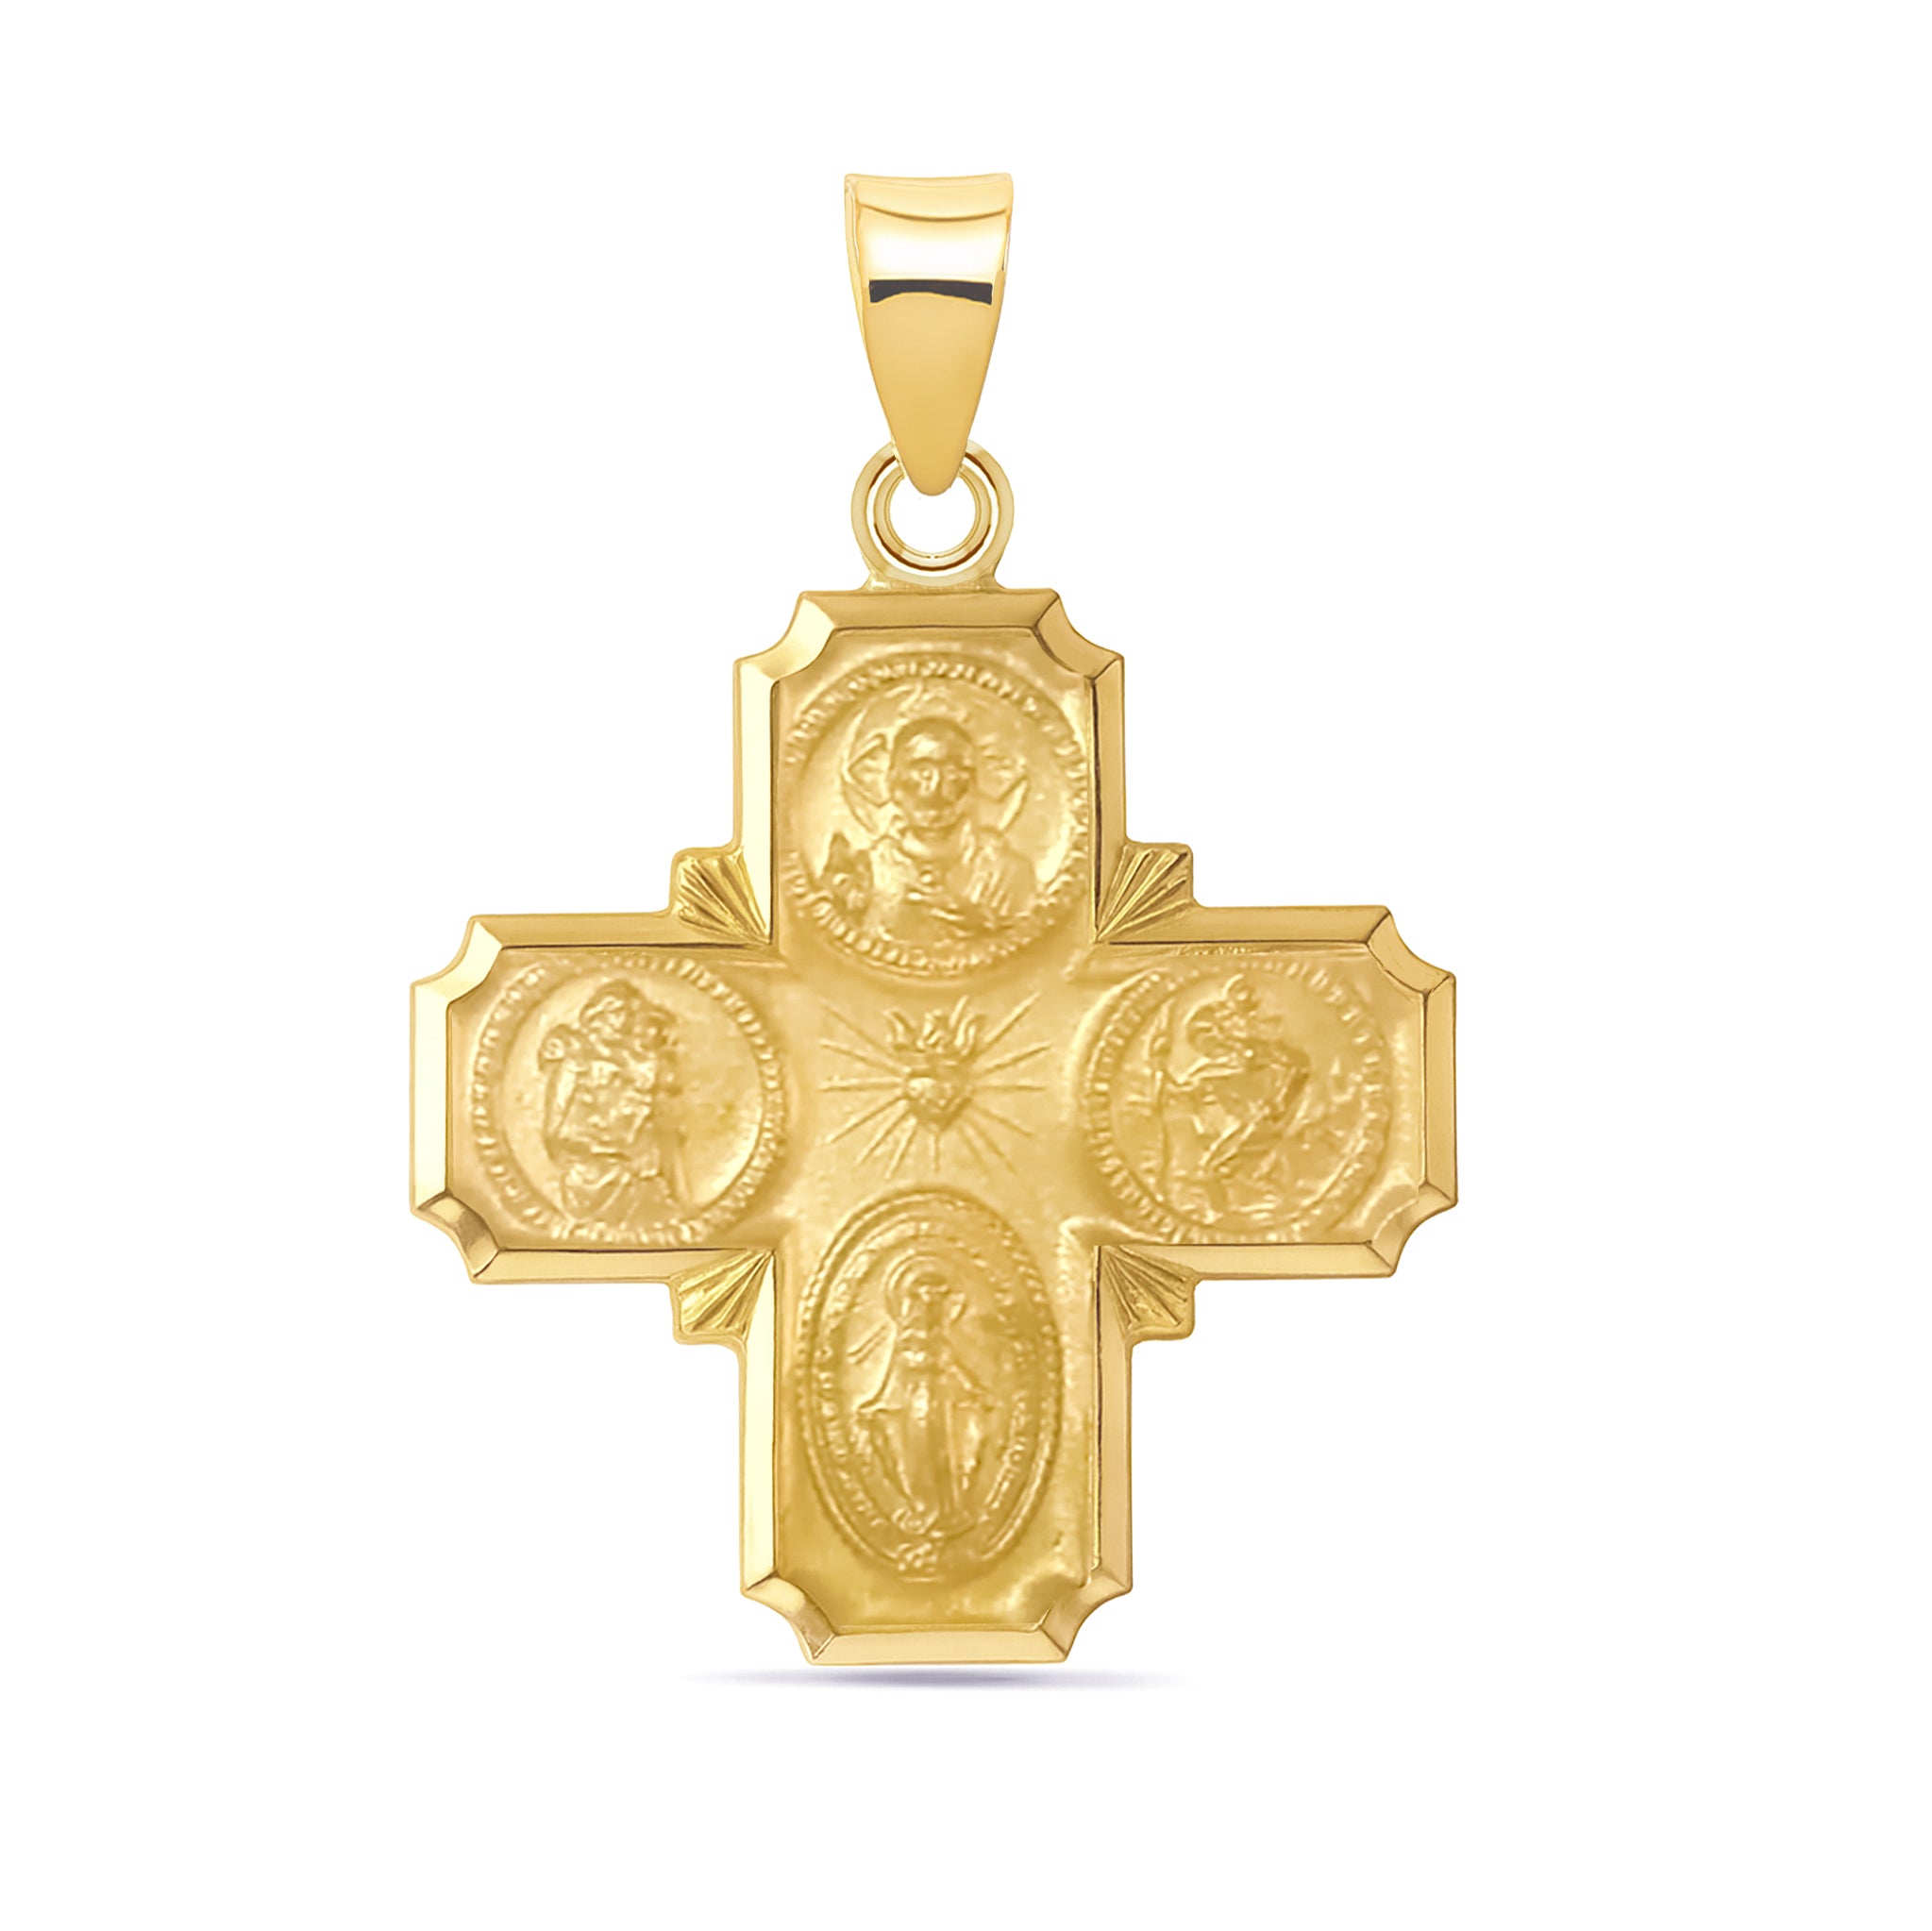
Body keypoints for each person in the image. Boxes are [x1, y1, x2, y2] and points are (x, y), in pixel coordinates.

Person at [819, 715, 1035, 947]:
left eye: (952, 772)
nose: (934, 790)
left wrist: (987, 927)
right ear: (891, 781)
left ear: (974, 784)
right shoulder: (862, 873)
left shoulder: (1009, 874)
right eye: (922, 771)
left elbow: (1029, 941)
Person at [857, 1252, 994, 1535]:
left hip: (941, 1405)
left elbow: (955, 1368)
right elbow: (894, 1375)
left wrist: (974, 1390)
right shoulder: (908, 1339)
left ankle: (948, 1512)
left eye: (937, 1300)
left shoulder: (941, 1338)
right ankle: (924, 1510)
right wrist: (878, 1402)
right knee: (919, 1457)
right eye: (926, 1299)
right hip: (916, 1405)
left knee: (946, 1458)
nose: (931, 1306)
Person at [1154, 977, 1311, 1222]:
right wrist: (1160, 1067)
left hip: (1258, 1118)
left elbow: (1298, 1066)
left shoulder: (1266, 1053)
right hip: (1242, 1119)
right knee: (1215, 1166)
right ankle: (1223, 1204)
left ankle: (1233, 1201)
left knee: (1221, 1165)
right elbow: (1183, 1089)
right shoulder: (1208, 1070)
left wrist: (1279, 1100)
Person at [537, 981, 683, 1226]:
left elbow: (661, 1088)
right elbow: (558, 1108)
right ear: (598, 1014)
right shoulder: (574, 1051)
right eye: (617, 1012)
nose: (623, 1021)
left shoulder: (636, 1055)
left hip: (636, 1156)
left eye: (629, 1014)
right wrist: (558, 1142)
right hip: (592, 1157)